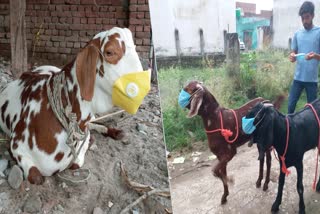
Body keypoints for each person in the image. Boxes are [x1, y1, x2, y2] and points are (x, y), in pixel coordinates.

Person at [288, 1, 320, 113]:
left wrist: (315, 56)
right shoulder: (298, 34)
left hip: (312, 80)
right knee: (290, 106)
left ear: (313, 16)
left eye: (307, 17)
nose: (305, 21)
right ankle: (289, 128)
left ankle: (313, 130)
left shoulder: (318, 32)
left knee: (313, 111)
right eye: (302, 18)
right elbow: (293, 54)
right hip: (298, 78)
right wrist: (292, 57)